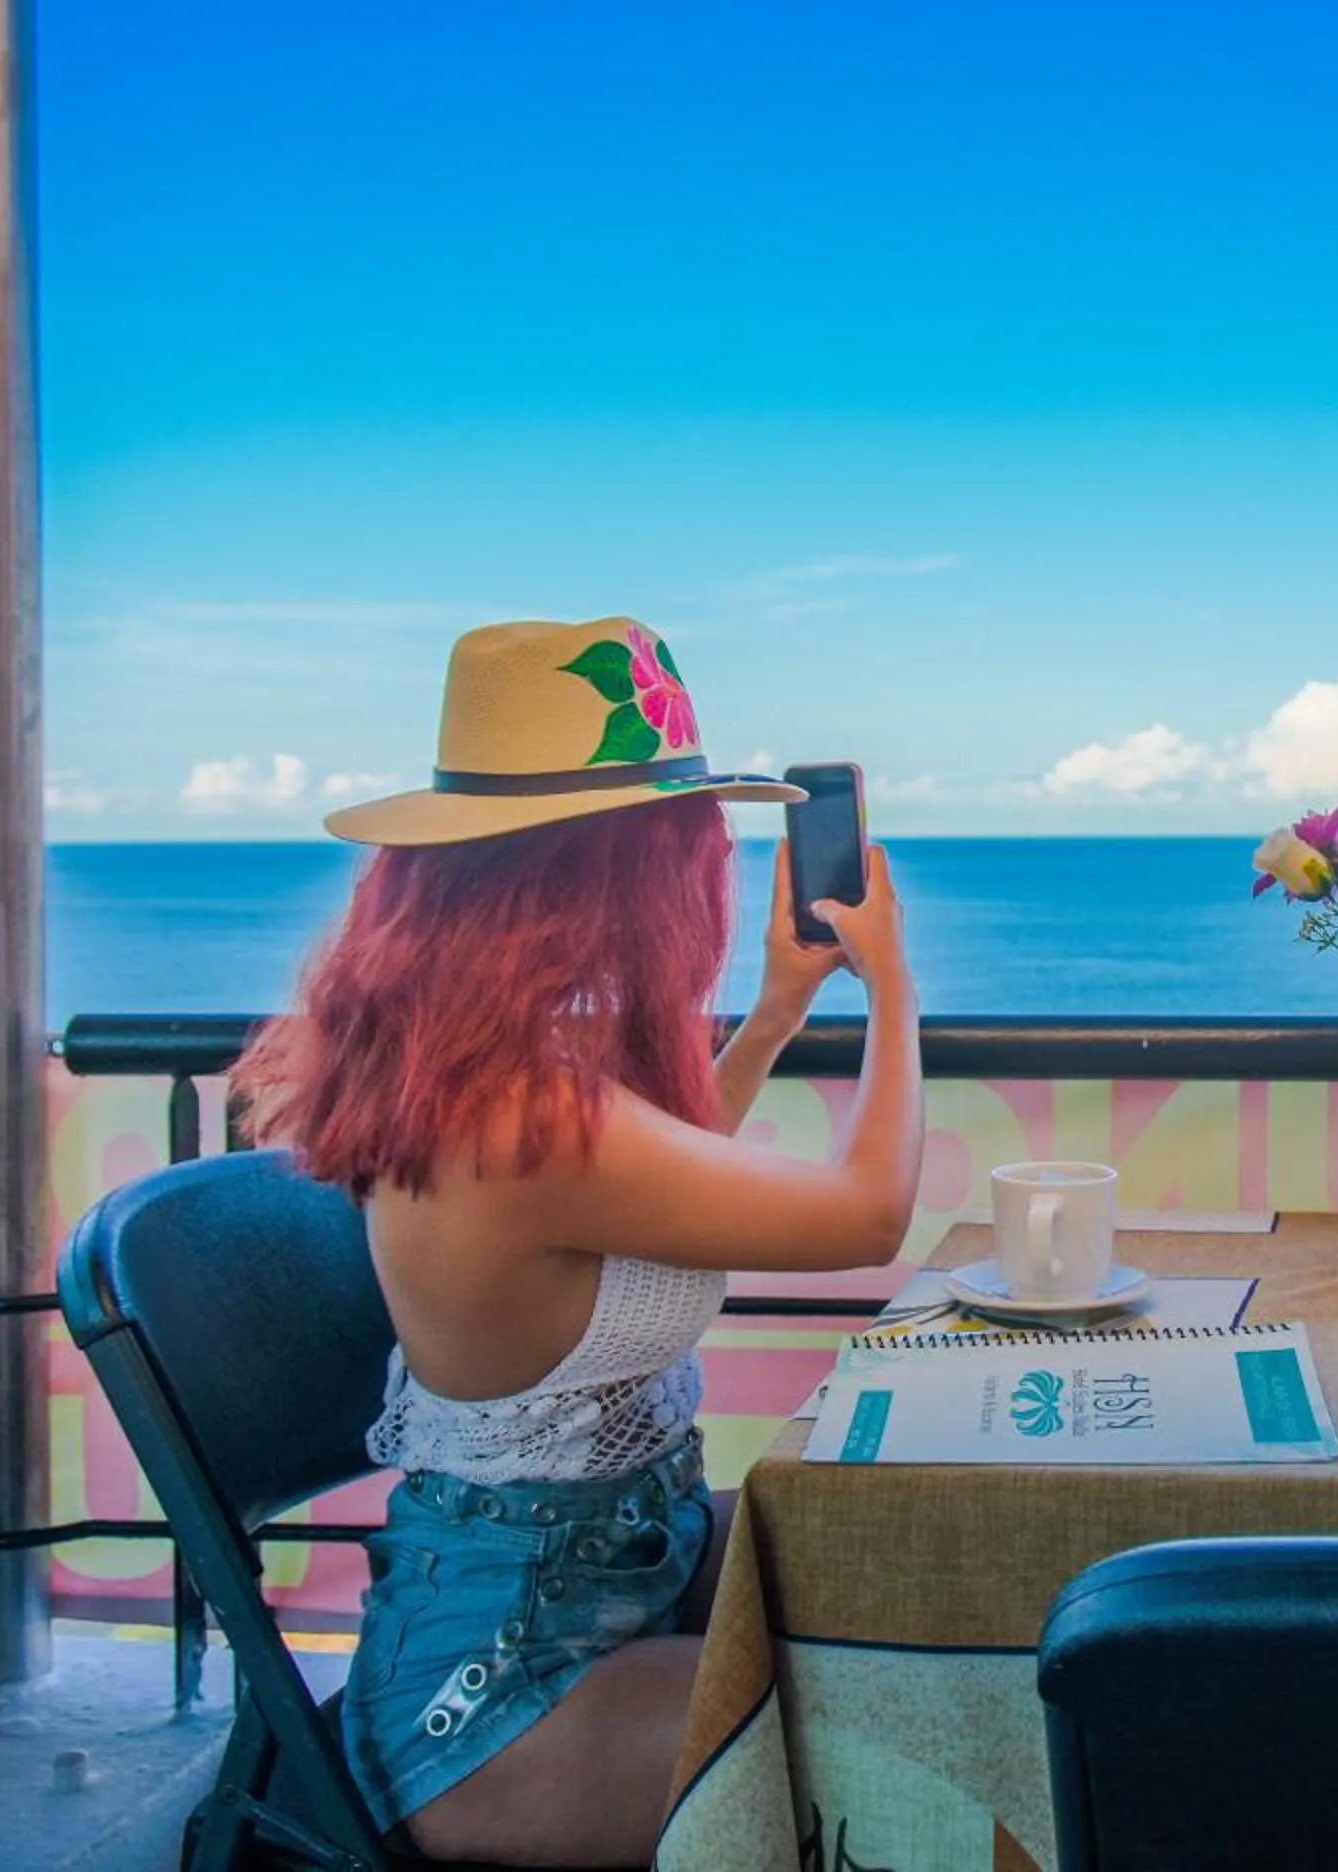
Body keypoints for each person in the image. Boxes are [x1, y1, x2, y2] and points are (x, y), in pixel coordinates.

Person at [239, 616, 923, 1868]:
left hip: (612, 1573)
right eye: (687, 842)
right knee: (905, 1739)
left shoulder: (495, 1064)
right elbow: (868, 1210)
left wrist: (774, 1015)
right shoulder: (524, 1110)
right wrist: (896, 987)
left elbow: (646, 1199)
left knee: (895, 1579)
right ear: (613, 869)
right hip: (502, 1697)